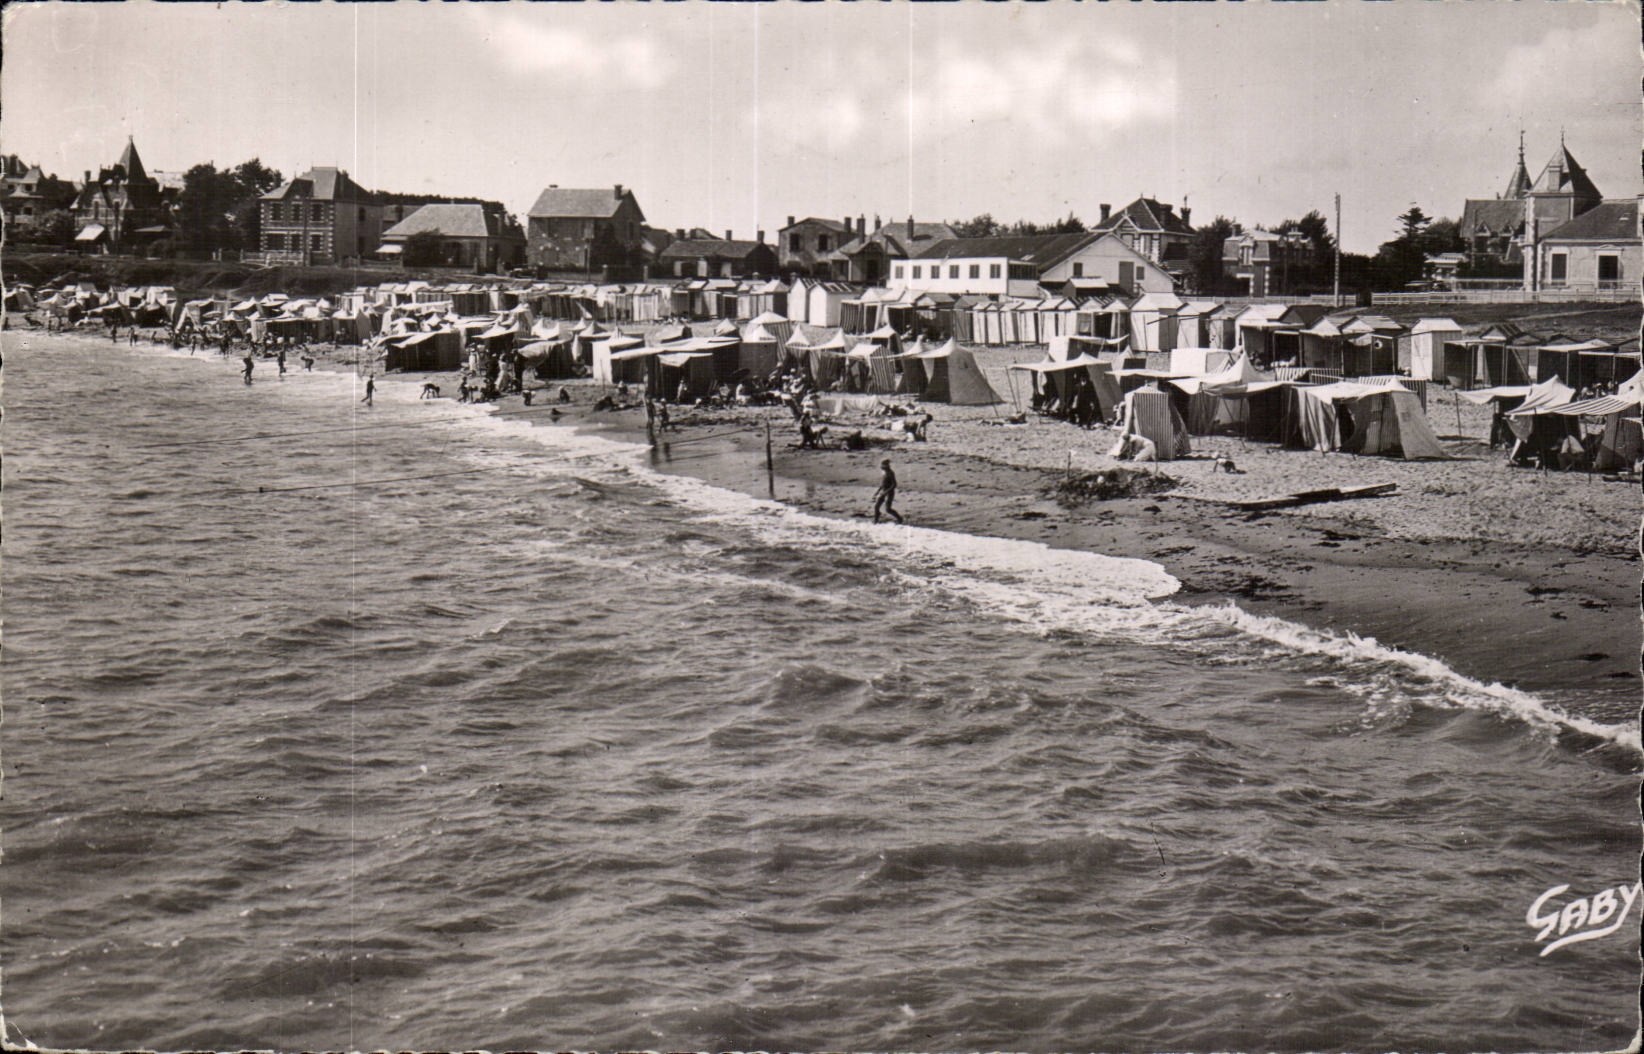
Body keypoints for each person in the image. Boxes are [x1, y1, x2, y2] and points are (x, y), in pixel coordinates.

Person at [872, 458, 904, 524]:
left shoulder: (891, 473)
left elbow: (894, 484)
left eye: (882, 466)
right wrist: (877, 492)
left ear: (886, 466)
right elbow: (882, 484)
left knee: (888, 509)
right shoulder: (884, 472)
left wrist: (886, 492)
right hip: (883, 492)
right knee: (876, 506)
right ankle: (876, 520)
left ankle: (899, 518)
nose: (881, 467)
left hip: (889, 493)